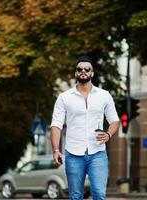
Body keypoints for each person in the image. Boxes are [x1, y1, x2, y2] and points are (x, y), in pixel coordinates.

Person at [50, 55, 120, 200]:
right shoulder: (64, 97)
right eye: (80, 69)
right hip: (73, 153)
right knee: (76, 196)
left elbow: (114, 121)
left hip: (98, 153)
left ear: (92, 73)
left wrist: (108, 134)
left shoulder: (104, 96)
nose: (83, 71)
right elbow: (56, 125)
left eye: (87, 69)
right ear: (76, 73)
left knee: (99, 194)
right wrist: (56, 150)